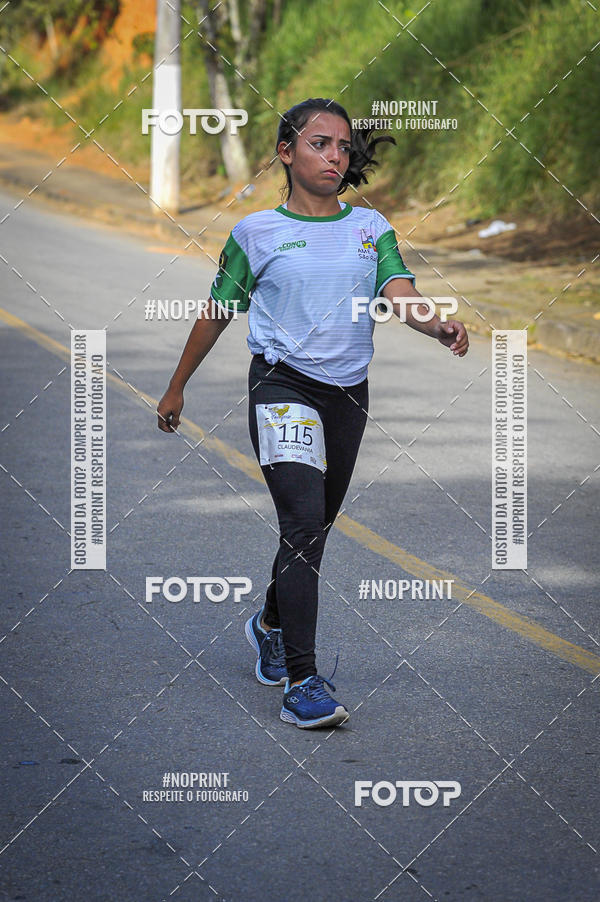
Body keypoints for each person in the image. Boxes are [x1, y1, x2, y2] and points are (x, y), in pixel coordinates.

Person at [157, 97, 469, 730]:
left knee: (314, 528)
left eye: (343, 146)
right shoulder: (255, 233)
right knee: (301, 521)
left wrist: (436, 324)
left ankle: (269, 622)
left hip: (348, 395)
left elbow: (398, 291)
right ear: (286, 153)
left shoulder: (371, 226)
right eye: (320, 144)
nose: (335, 156)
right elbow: (219, 309)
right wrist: (176, 386)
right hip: (282, 387)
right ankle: (303, 680)